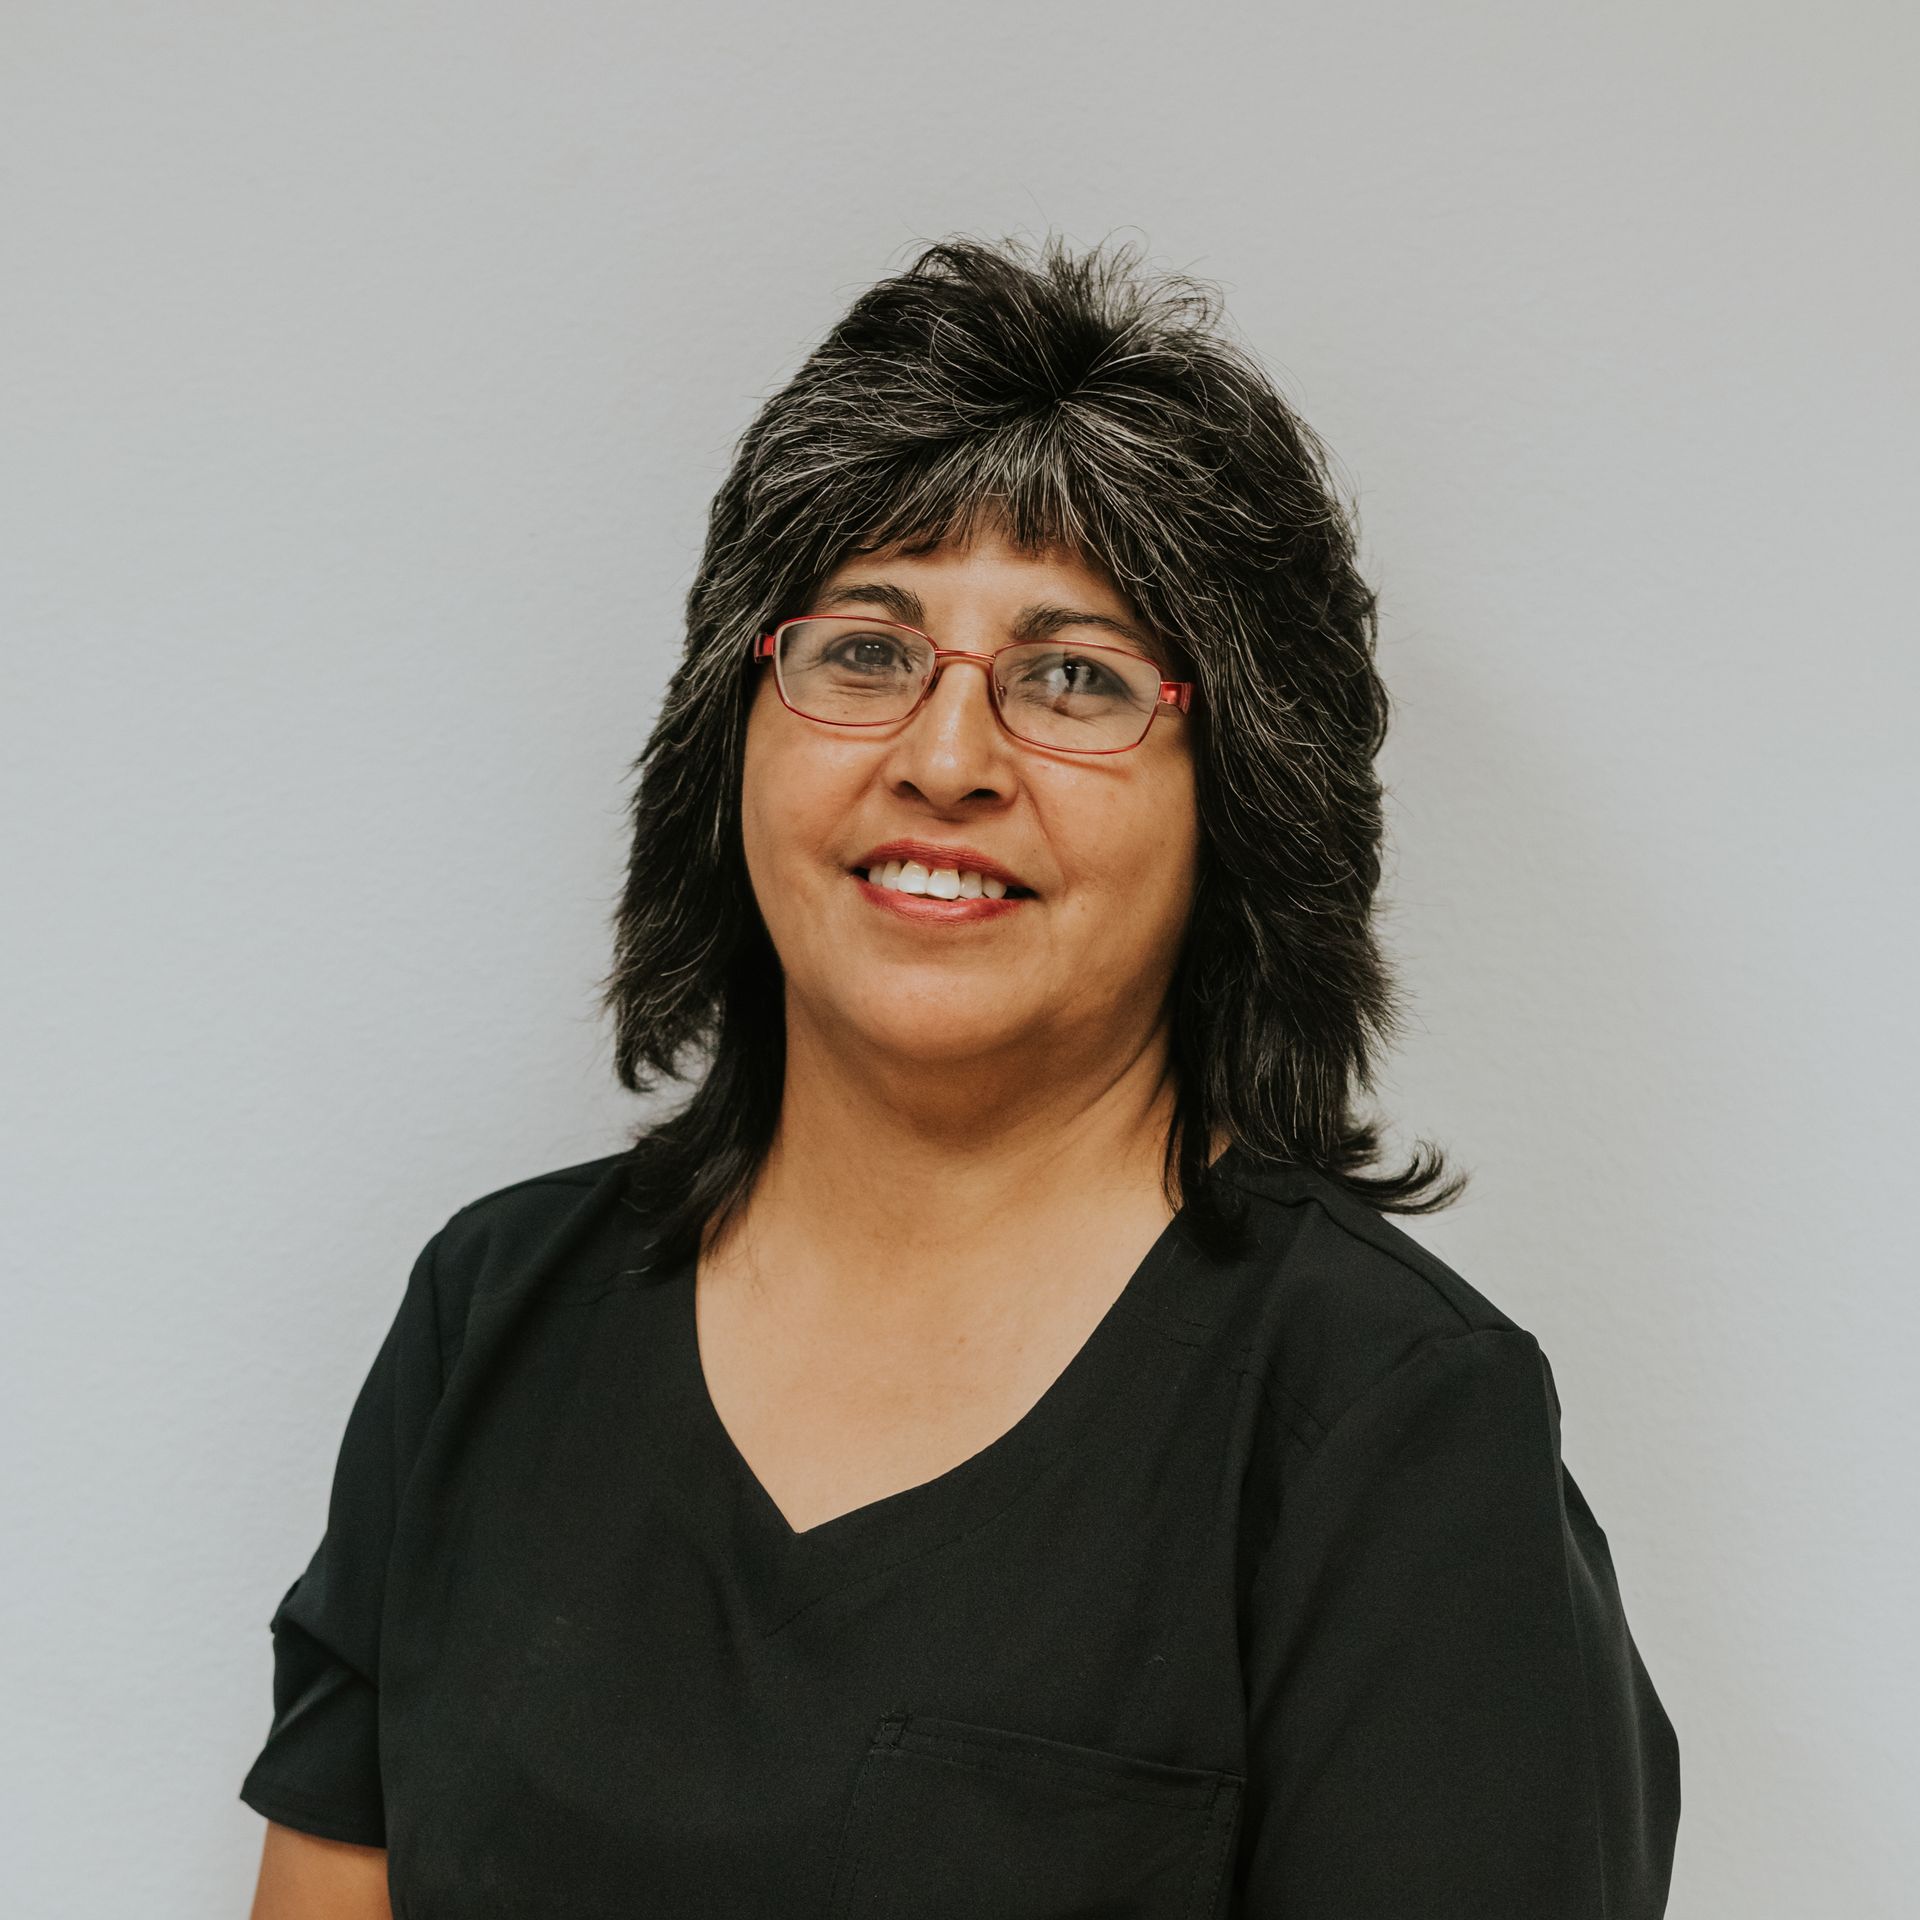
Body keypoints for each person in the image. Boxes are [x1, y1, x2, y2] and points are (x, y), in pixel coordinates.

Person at [239, 235, 1681, 1918]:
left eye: (1075, 679)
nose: (945, 757)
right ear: (733, 732)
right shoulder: (492, 1315)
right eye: (866, 650)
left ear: (1243, 802)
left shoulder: (1392, 1424)